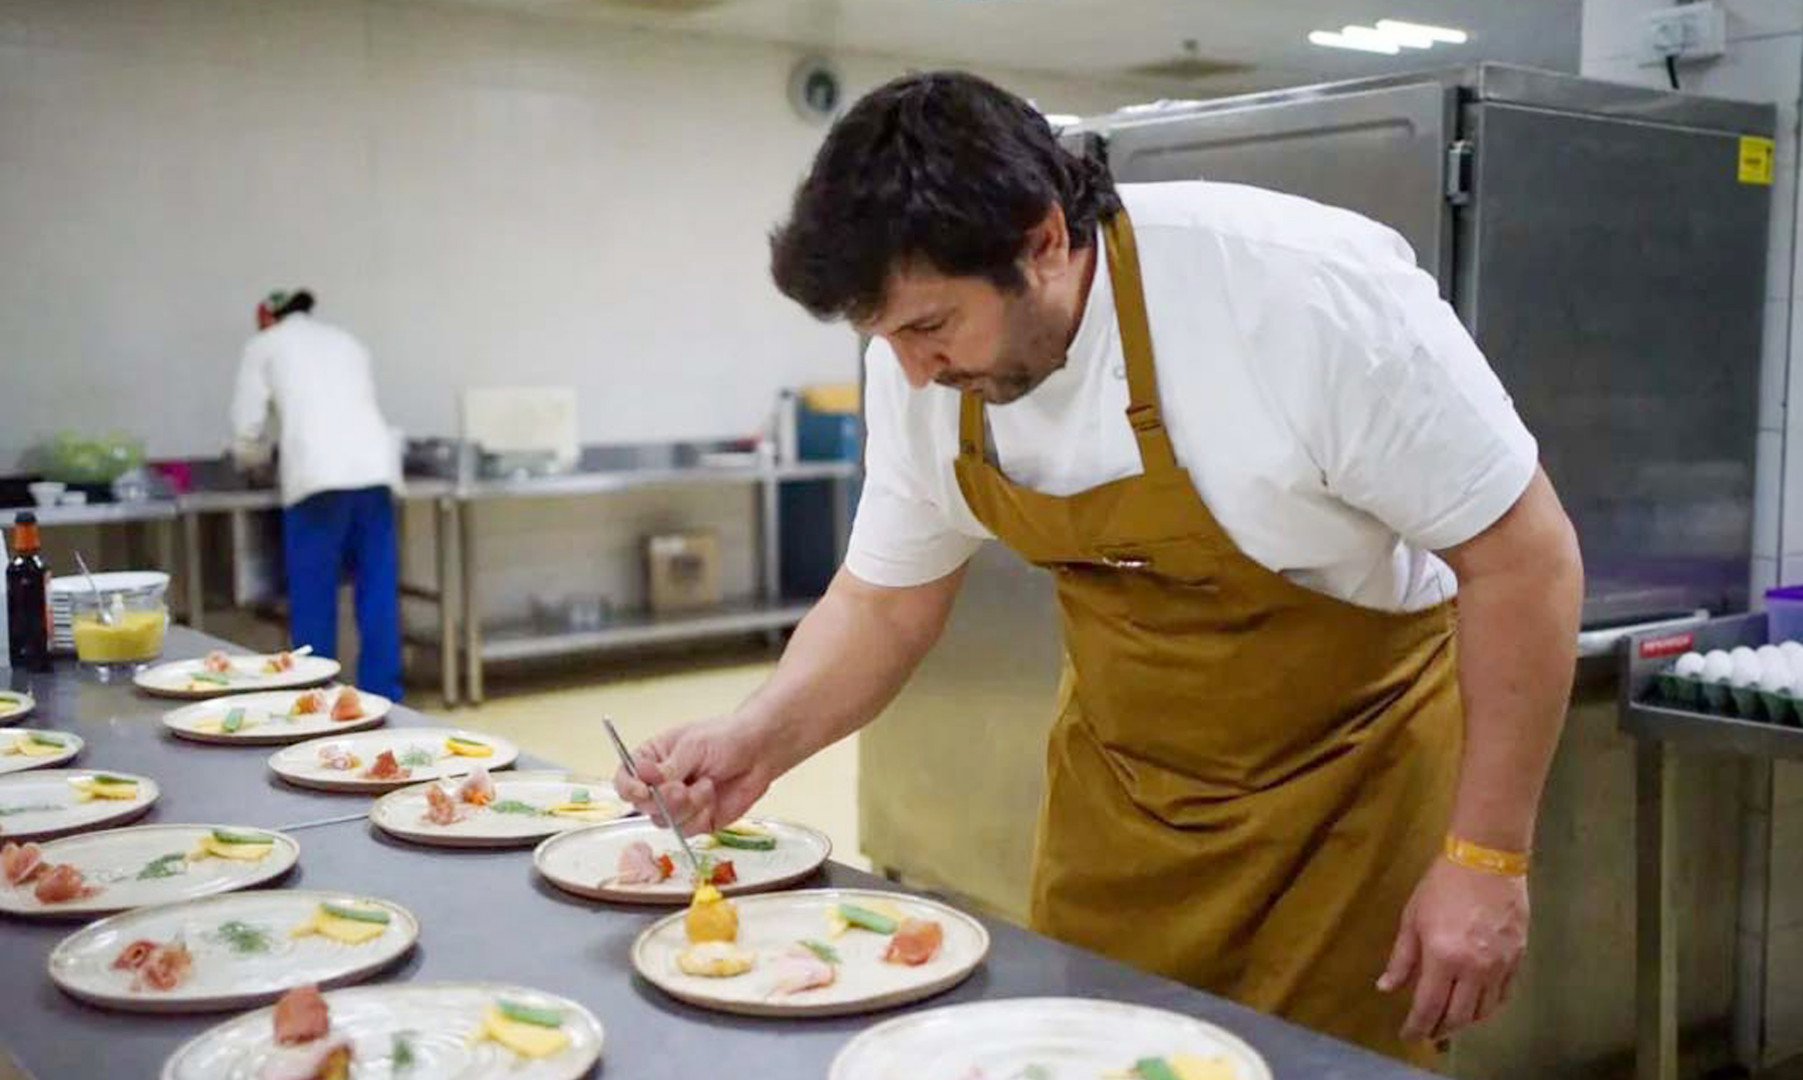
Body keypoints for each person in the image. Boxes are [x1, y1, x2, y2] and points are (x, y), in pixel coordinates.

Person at [614, 73, 1583, 1067]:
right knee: (1083, 1049)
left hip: (1354, 784)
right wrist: (757, 738)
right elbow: (885, 600)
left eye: (930, 327)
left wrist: (1487, 856)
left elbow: (1523, 560)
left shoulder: (1297, 295)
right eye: (885, 337)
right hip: (1127, 797)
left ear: (1042, 240)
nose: (911, 371)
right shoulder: (919, 368)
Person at [230, 289, 404, 701]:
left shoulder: (263, 345)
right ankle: (384, 697)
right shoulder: (347, 342)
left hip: (316, 477)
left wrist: (251, 461)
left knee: (314, 595)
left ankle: (315, 694)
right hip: (375, 471)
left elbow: (247, 429)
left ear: (267, 317)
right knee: (378, 592)